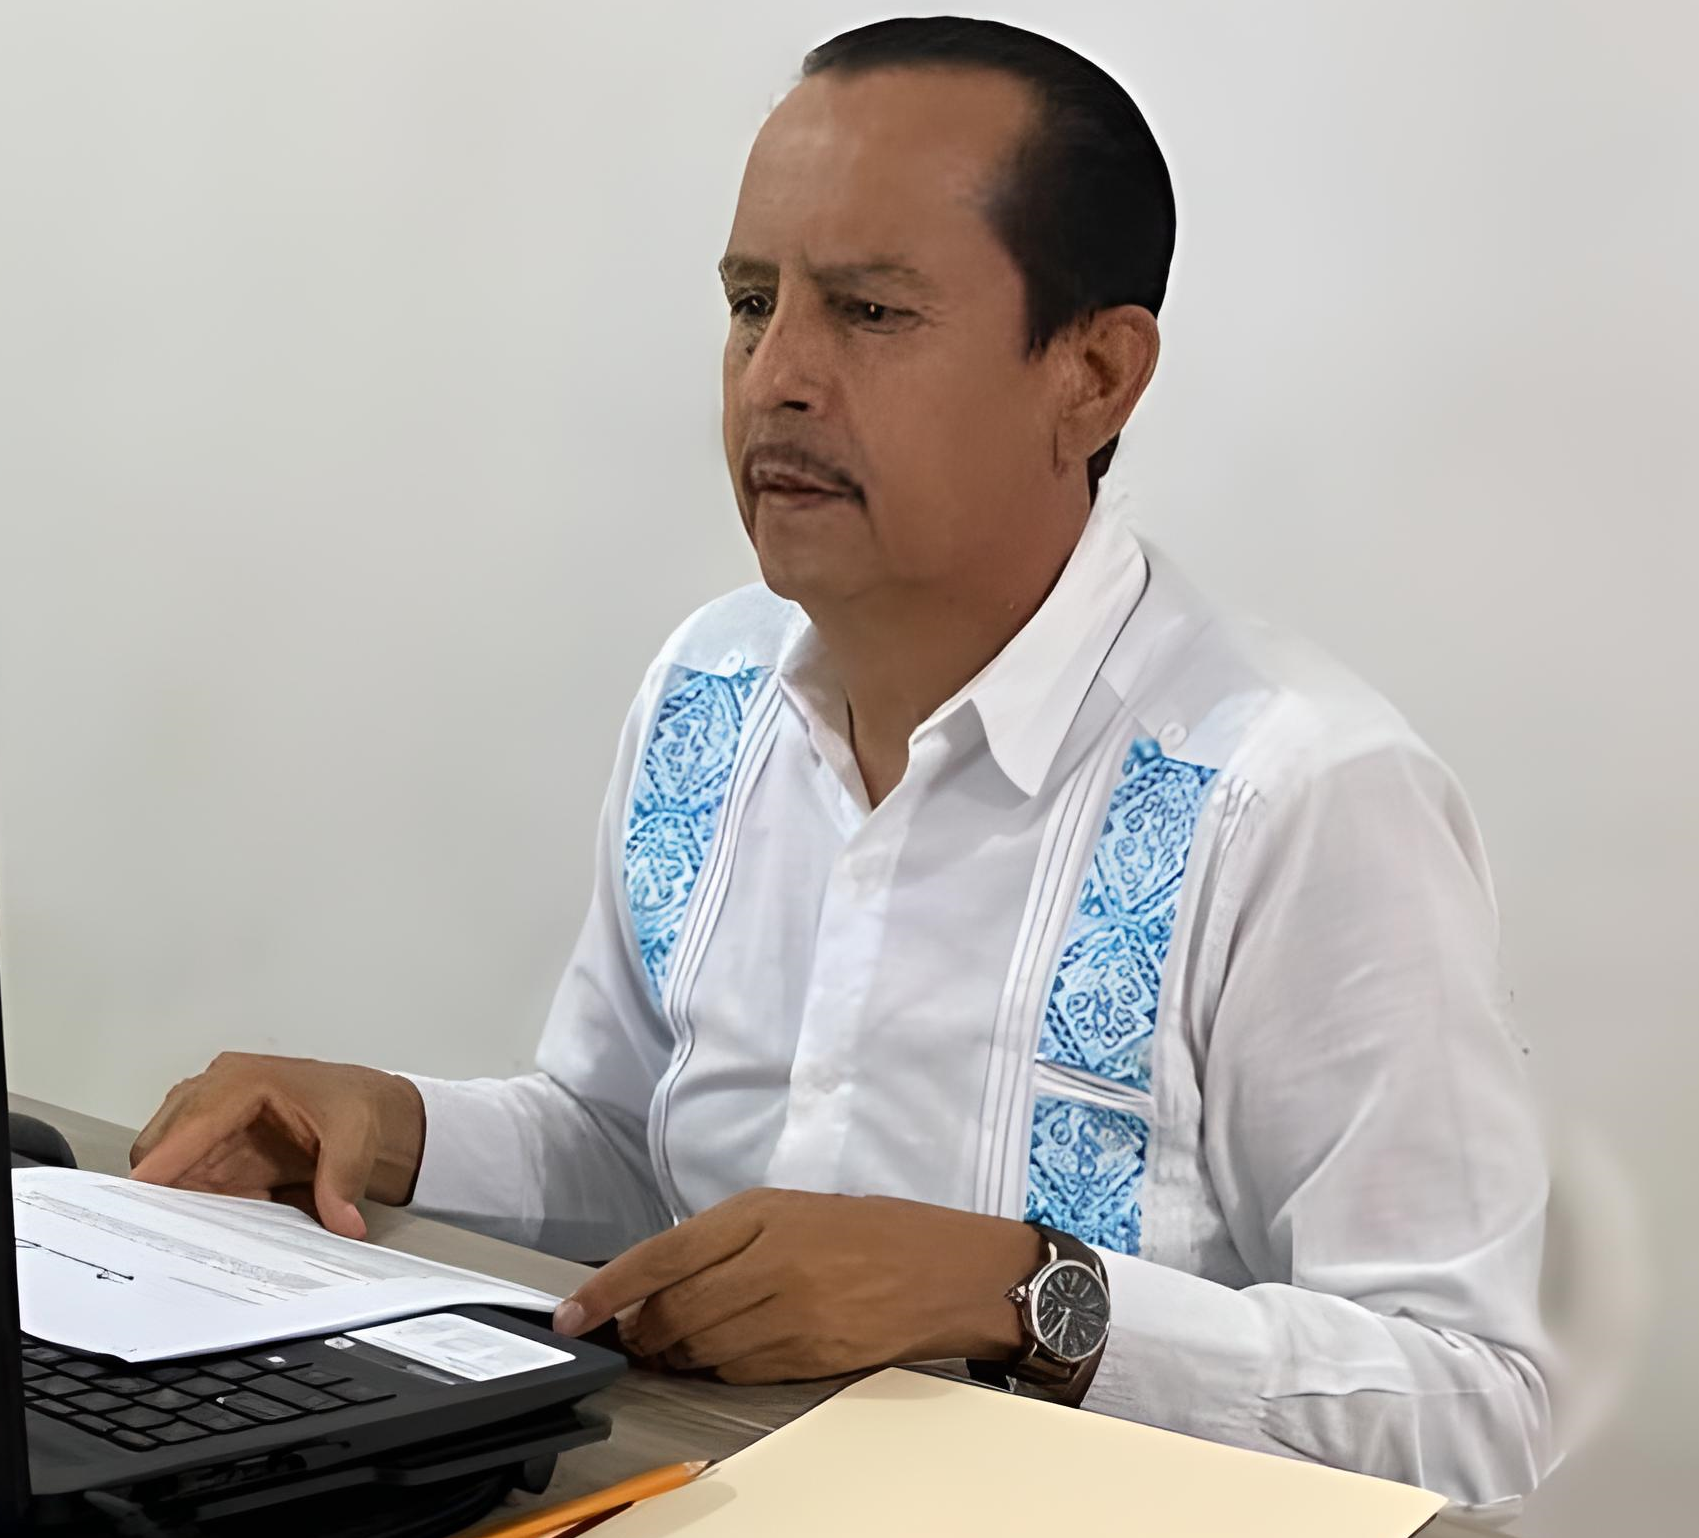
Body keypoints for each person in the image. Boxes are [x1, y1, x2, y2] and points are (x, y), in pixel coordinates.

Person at [127, 15, 1555, 1512]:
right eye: (751, 303)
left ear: (1092, 373)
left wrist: (1021, 1292)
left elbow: (1474, 1411)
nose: (777, 377)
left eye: (869, 312)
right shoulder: (715, 688)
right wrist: (385, 1129)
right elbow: (634, 1146)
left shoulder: (1293, 794)